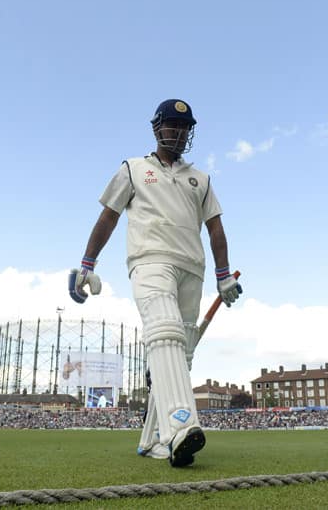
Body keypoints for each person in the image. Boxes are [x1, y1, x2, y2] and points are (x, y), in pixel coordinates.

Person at [70, 99, 242, 467]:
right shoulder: (133, 169)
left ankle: (153, 440)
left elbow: (216, 229)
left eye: (185, 127)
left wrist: (223, 275)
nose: (178, 133)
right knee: (164, 333)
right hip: (150, 261)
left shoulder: (201, 179)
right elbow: (108, 217)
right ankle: (182, 426)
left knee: (181, 354)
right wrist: (87, 263)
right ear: (156, 128)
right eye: (172, 125)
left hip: (191, 268)